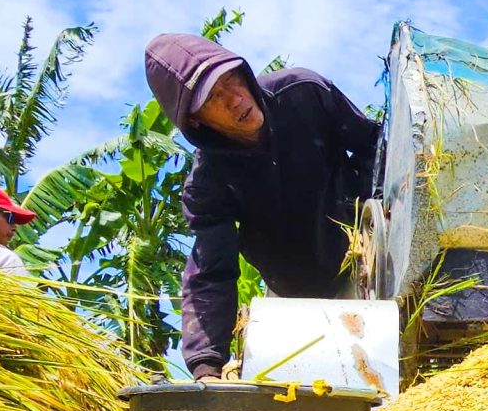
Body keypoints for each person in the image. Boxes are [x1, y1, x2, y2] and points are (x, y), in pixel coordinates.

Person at [144, 33, 383, 381]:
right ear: (195, 121)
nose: (235, 99)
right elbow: (212, 272)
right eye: (214, 97)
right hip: (291, 300)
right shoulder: (208, 184)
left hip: (365, 264)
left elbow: (375, 146)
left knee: (381, 374)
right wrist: (206, 367)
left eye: (231, 80)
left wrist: (366, 217)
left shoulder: (303, 92)